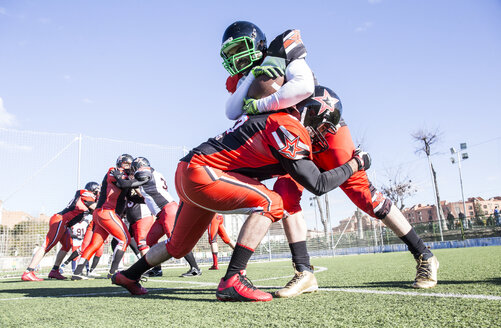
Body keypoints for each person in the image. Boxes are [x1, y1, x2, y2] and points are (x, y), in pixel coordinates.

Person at [220, 21, 439, 295]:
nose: (236, 56)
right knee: (285, 193)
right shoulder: (245, 77)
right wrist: (252, 83)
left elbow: (305, 85)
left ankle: (425, 255)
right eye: (231, 51)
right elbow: (232, 110)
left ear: (258, 44)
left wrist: (261, 103)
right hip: (292, 135)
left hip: (320, 125)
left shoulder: (281, 51)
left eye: (241, 47)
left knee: (365, 196)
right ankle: (304, 272)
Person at [112, 85, 371, 302]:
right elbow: (318, 184)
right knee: (272, 202)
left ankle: (129, 275)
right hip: (203, 173)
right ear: (310, 114)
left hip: (192, 172)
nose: (322, 134)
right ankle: (233, 278)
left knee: (178, 247)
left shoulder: (278, 121)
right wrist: (355, 164)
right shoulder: (290, 126)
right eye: (323, 126)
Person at [126, 156, 202, 278]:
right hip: (161, 214)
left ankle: (195, 268)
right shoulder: (152, 174)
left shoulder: (147, 172)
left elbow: (133, 182)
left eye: (134, 168)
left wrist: (124, 181)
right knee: (150, 240)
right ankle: (157, 269)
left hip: (167, 210)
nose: (133, 172)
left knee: (177, 241)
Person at [71, 154, 136, 280]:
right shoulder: (114, 171)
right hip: (107, 210)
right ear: (120, 163)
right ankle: (113, 272)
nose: (127, 167)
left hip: (103, 213)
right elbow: (123, 183)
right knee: (125, 239)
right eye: (125, 164)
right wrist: (137, 180)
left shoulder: (126, 177)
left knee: (95, 244)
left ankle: (77, 272)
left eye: (129, 164)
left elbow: (127, 189)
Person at [21, 181, 99, 281]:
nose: (98, 193)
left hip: (64, 223)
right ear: (92, 190)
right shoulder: (86, 194)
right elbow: (96, 208)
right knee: (47, 245)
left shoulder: (87, 197)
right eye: (97, 191)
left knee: (67, 245)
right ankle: (29, 271)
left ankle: (55, 270)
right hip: (60, 220)